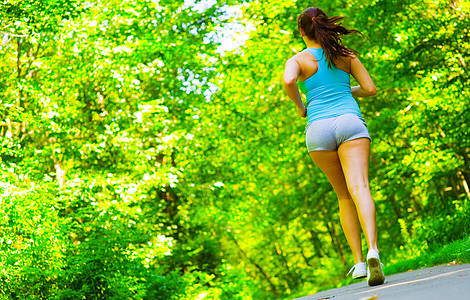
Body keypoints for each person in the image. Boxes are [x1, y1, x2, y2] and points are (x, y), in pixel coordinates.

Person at [282, 7, 385, 287]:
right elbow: (371, 89)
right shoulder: (346, 55)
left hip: (318, 129)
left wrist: (301, 106)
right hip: (350, 122)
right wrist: (344, 91)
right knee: (360, 187)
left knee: (343, 195)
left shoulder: (298, 59)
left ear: (302, 31)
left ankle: (358, 263)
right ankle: (373, 250)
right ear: (325, 26)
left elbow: (289, 80)